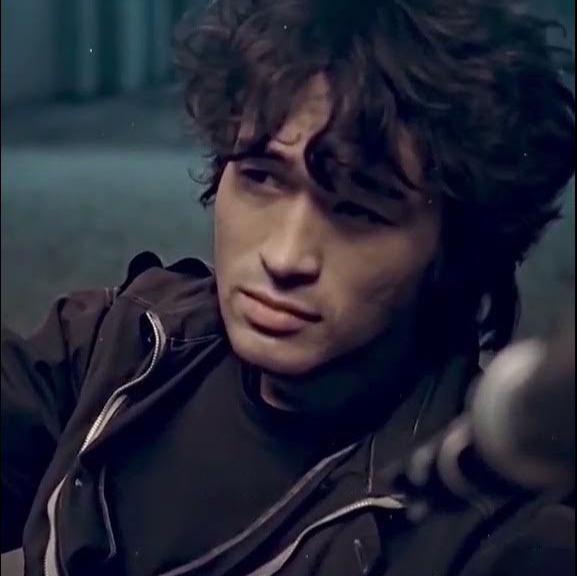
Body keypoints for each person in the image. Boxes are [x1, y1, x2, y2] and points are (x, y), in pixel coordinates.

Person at [1, 0, 575, 574]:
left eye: (359, 210)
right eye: (261, 177)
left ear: (457, 246)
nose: (284, 256)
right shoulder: (118, 342)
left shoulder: (491, 529)